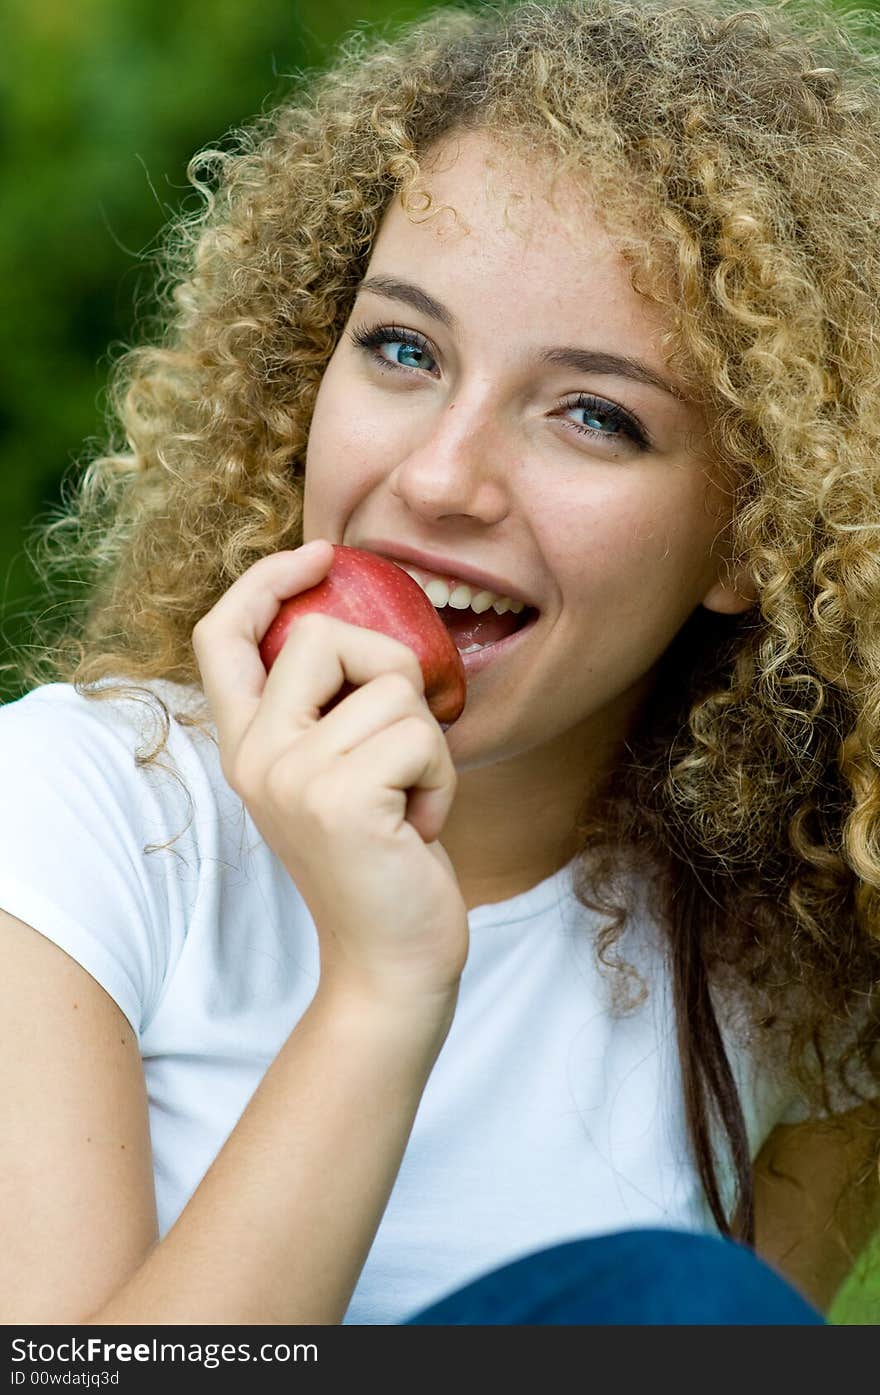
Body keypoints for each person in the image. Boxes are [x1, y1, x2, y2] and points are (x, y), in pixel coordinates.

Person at [1, 0, 878, 1326]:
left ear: (753, 535)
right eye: (404, 350)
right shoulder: (79, 814)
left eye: (595, 415)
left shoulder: (792, 972)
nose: (438, 476)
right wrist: (382, 986)